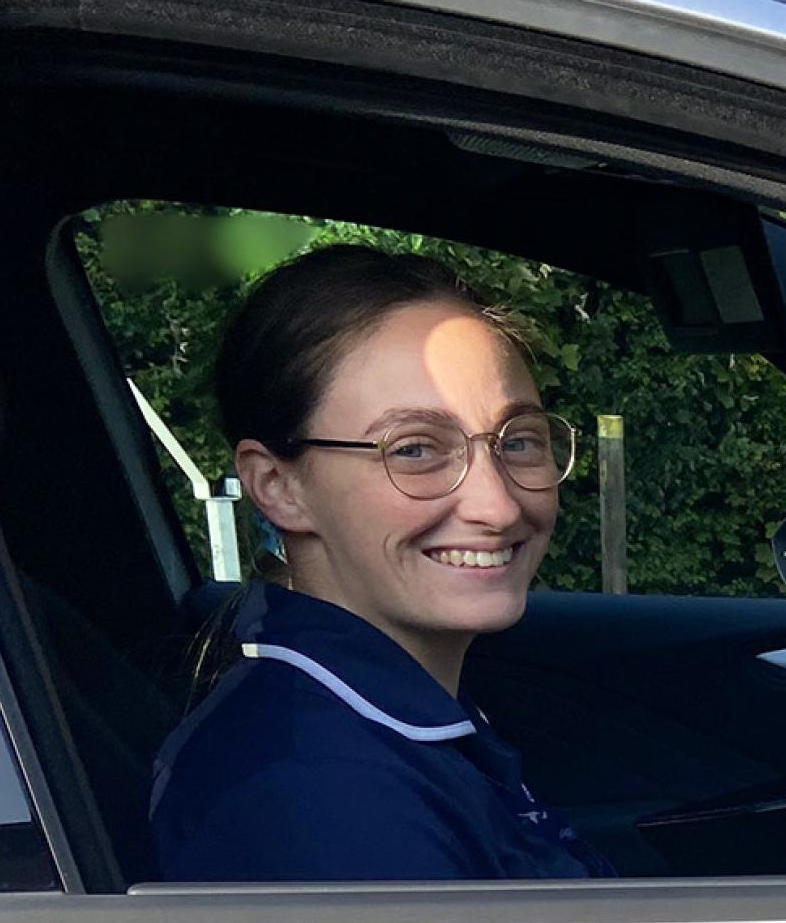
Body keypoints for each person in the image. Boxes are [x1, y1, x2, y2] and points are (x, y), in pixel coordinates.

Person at [149, 244, 616, 881]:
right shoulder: (322, 796)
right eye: (416, 449)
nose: (499, 505)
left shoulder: (377, 718)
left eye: (520, 441)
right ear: (278, 487)